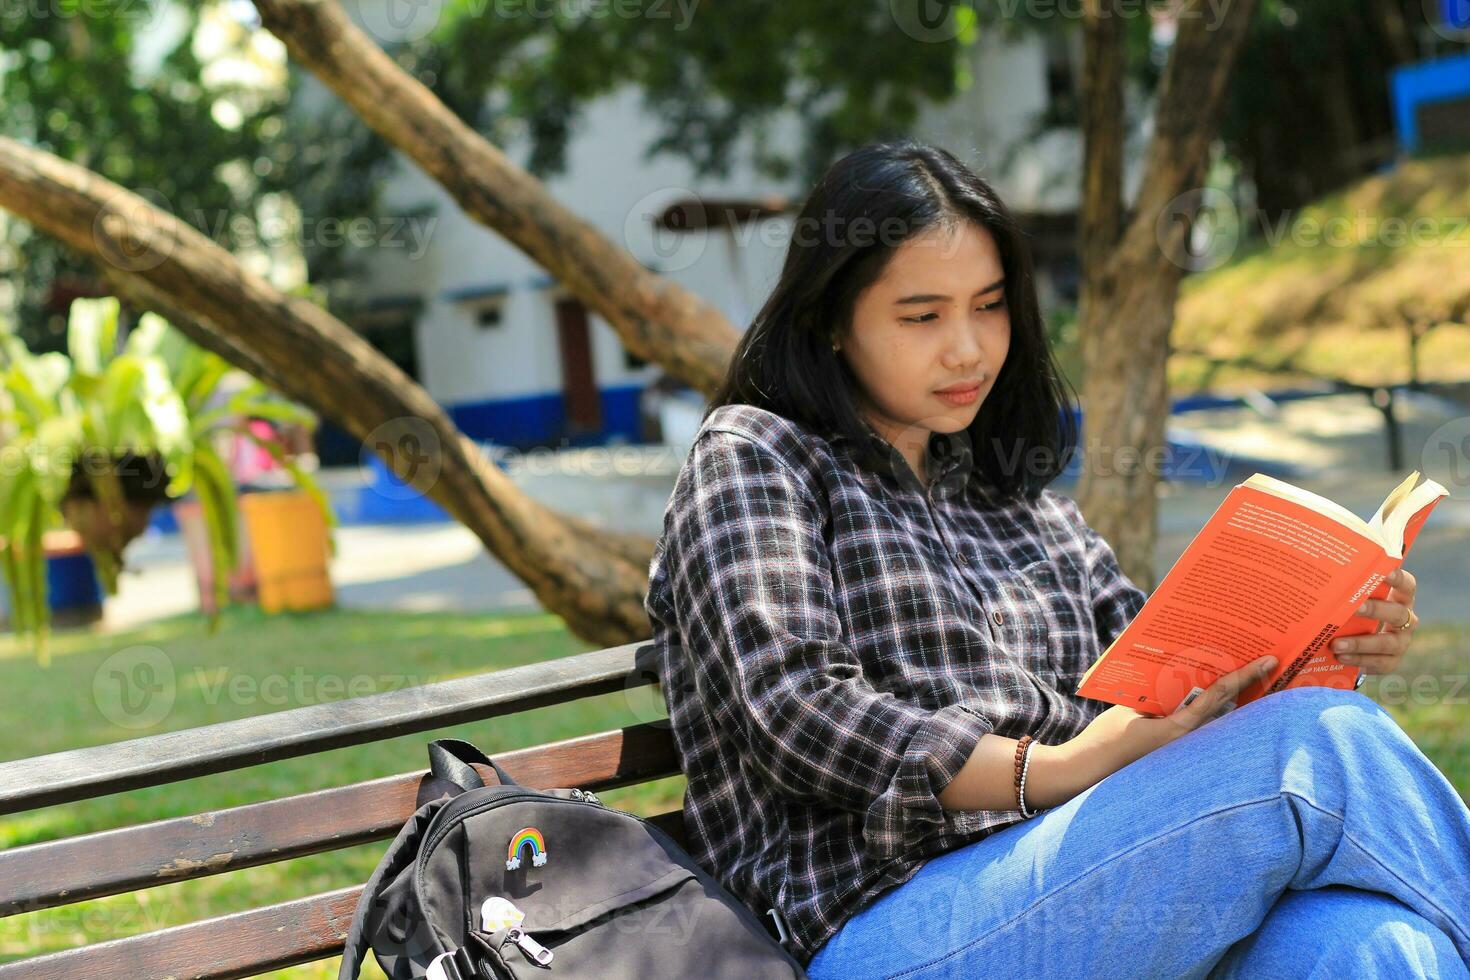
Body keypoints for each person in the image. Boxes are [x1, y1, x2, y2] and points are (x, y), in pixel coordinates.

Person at [643, 140, 1470, 979]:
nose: (967, 349)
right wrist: (1060, 768)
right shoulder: (756, 455)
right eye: (922, 316)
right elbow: (797, 710)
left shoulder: (1013, 497)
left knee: (1381, 950)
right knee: (1315, 748)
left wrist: (1327, 637)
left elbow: (1162, 664)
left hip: (1085, 878)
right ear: (828, 321)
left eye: (990, 306)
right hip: (882, 921)